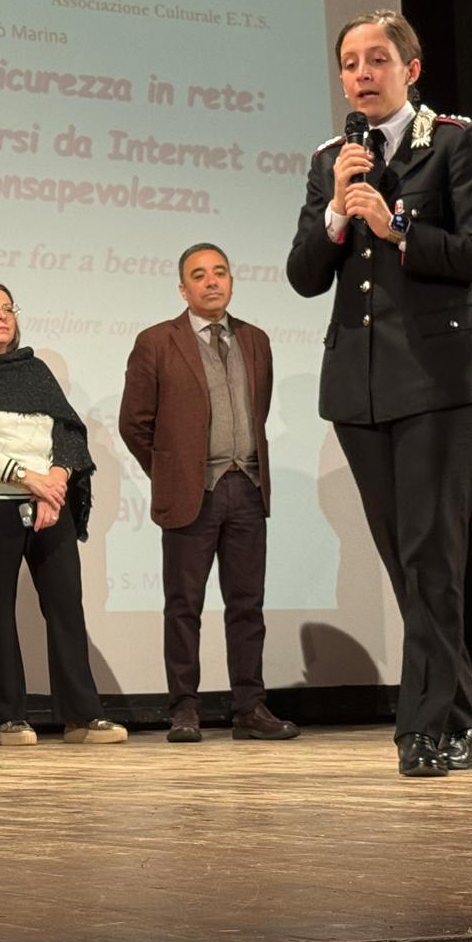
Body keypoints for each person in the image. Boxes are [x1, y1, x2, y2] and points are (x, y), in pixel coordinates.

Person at [286, 8, 472, 777]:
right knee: (406, 563)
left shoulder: (453, 141)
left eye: (376, 59)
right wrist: (335, 212)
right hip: (361, 388)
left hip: (444, 384)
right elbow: (304, 276)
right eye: (350, 62)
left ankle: (422, 730)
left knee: (430, 557)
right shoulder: (332, 161)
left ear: (410, 69)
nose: (361, 74)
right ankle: (466, 721)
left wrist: (399, 229)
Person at [0, 282, 126, 747]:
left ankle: (82, 717)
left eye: (8, 308)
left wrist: (55, 480)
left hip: (49, 500)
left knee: (65, 604)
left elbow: (68, 431)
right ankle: (6, 718)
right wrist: (28, 478)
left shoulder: (34, 370)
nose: (2, 315)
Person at [119, 244, 298, 744]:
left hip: (247, 487)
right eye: (199, 275)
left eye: (220, 272)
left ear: (232, 281)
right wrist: (170, 472)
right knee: (184, 606)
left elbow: (258, 410)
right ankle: (184, 709)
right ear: (183, 289)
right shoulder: (157, 341)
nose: (212, 281)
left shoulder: (255, 340)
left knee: (247, 605)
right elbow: (134, 423)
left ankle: (249, 707)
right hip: (192, 492)